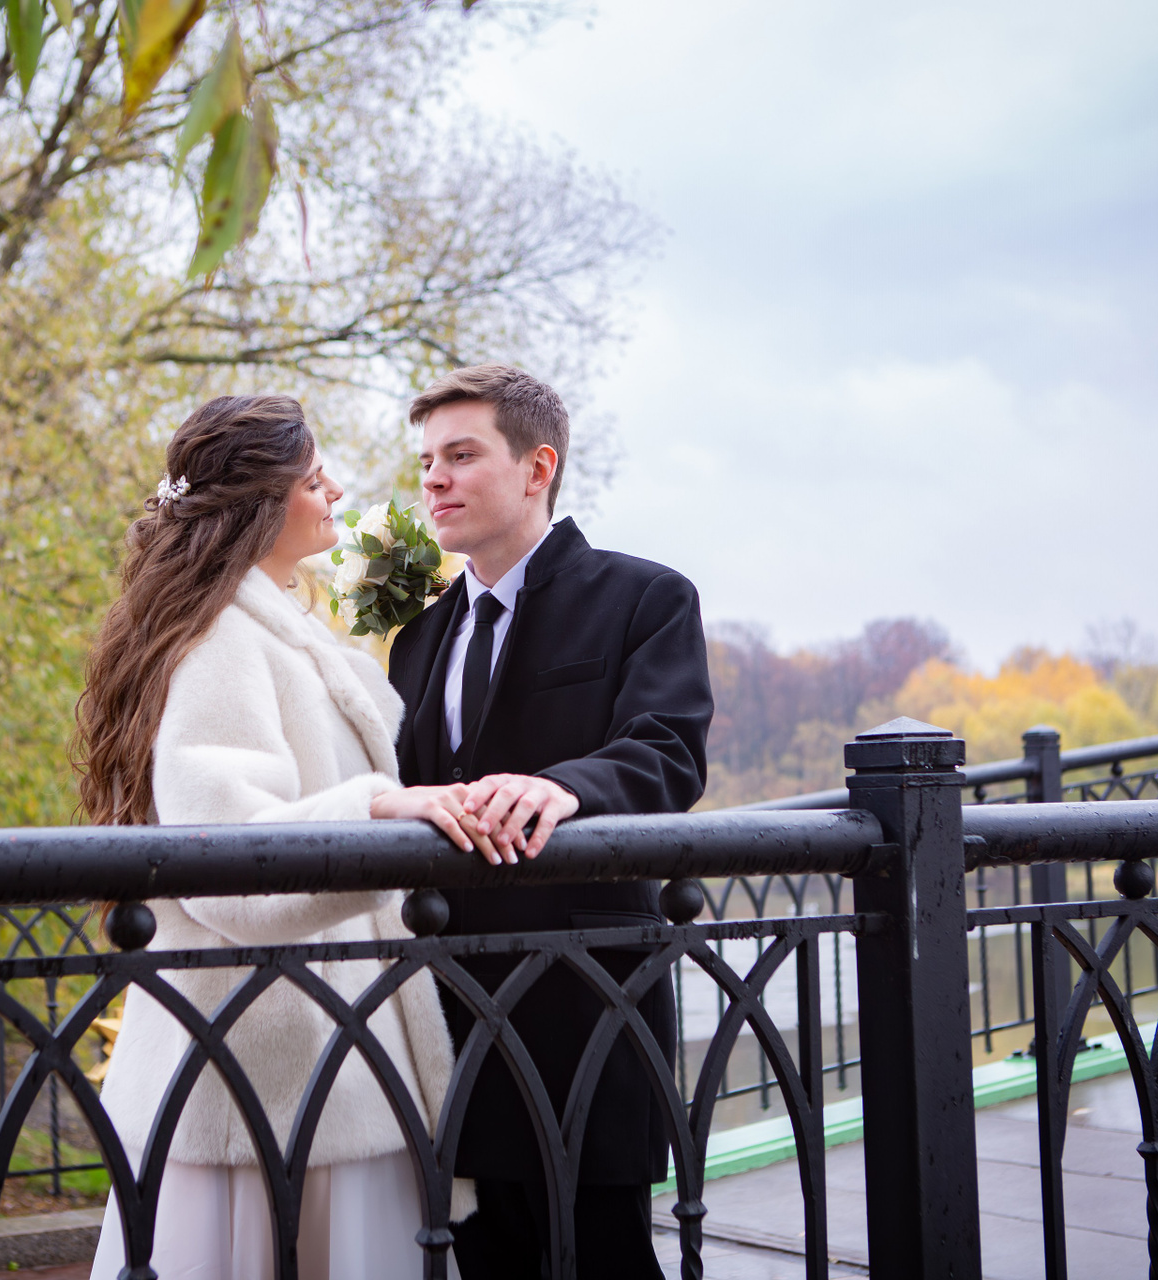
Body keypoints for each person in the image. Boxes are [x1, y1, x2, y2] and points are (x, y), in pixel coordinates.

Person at [73, 394, 477, 1280]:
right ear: (260, 503)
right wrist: (375, 809)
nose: (335, 491)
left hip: (314, 1055)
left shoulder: (263, 625)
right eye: (312, 478)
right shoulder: (222, 638)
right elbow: (228, 855)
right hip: (272, 1076)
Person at [387, 365, 714, 1279]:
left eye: (461, 456)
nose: (435, 480)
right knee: (484, 1262)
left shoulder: (645, 597)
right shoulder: (419, 638)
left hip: (585, 1001)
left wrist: (566, 786)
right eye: (427, 461)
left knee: (605, 1259)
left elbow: (668, 750)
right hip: (449, 1009)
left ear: (538, 468)